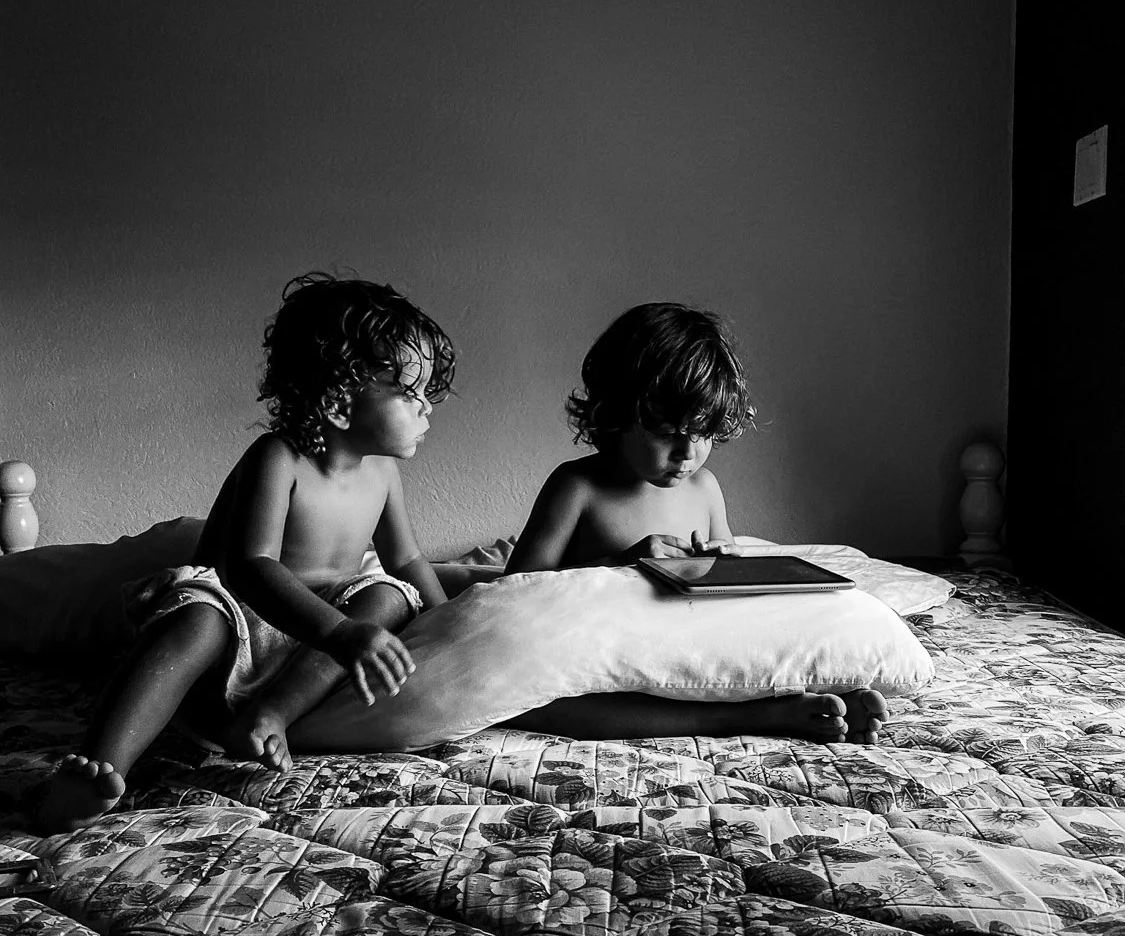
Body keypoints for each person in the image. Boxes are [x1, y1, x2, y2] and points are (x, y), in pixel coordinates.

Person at [39, 272, 454, 833]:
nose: (428, 408)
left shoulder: (382, 474)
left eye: (428, 392)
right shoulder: (277, 458)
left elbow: (405, 561)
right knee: (197, 618)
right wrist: (338, 632)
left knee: (387, 593)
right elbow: (250, 568)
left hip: (308, 662)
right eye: (410, 392)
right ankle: (95, 770)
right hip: (238, 628)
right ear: (337, 401)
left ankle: (269, 715)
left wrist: (450, 619)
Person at [504, 301, 887, 745]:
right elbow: (516, 595)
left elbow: (722, 601)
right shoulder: (577, 486)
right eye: (666, 432)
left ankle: (808, 691)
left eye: (702, 431)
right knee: (543, 704)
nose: (686, 453)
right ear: (615, 416)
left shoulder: (705, 488)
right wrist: (619, 565)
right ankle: (758, 717)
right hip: (603, 655)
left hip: (681, 653)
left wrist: (727, 565)